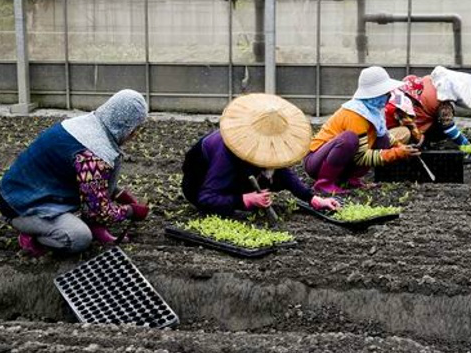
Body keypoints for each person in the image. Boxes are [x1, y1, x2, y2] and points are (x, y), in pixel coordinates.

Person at [0, 89, 151, 257]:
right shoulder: (92, 154)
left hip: (34, 190)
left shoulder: (89, 124)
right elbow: (100, 211)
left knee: (114, 160)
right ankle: (34, 236)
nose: (134, 134)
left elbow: (93, 181)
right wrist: (130, 210)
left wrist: (119, 194)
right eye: (135, 128)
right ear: (126, 125)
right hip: (21, 204)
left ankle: (93, 226)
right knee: (78, 237)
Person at [182, 93, 340, 216]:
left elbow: (283, 172)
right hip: (200, 188)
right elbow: (206, 197)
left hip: (234, 176)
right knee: (221, 207)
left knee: (270, 174)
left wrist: (312, 198)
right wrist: (244, 200)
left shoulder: (260, 150)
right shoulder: (225, 153)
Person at [304, 66, 421, 194]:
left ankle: (350, 179)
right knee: (349, 139)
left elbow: (385, 135)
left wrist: (401, 146)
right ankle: (324, 183)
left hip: (334, 159)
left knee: (383, 139)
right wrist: (397, 153)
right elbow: (361, 157)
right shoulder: (355, 114)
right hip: (316, 163)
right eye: (386, 93)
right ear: (375, 94)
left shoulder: (373, 111)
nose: (389, 96)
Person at [385, 66, 471, 146]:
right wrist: (466, 144)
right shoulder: (441, 102)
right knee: (407, 133)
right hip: (389, 133)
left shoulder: (396, 93)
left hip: (387, 128)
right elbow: (448, 127)